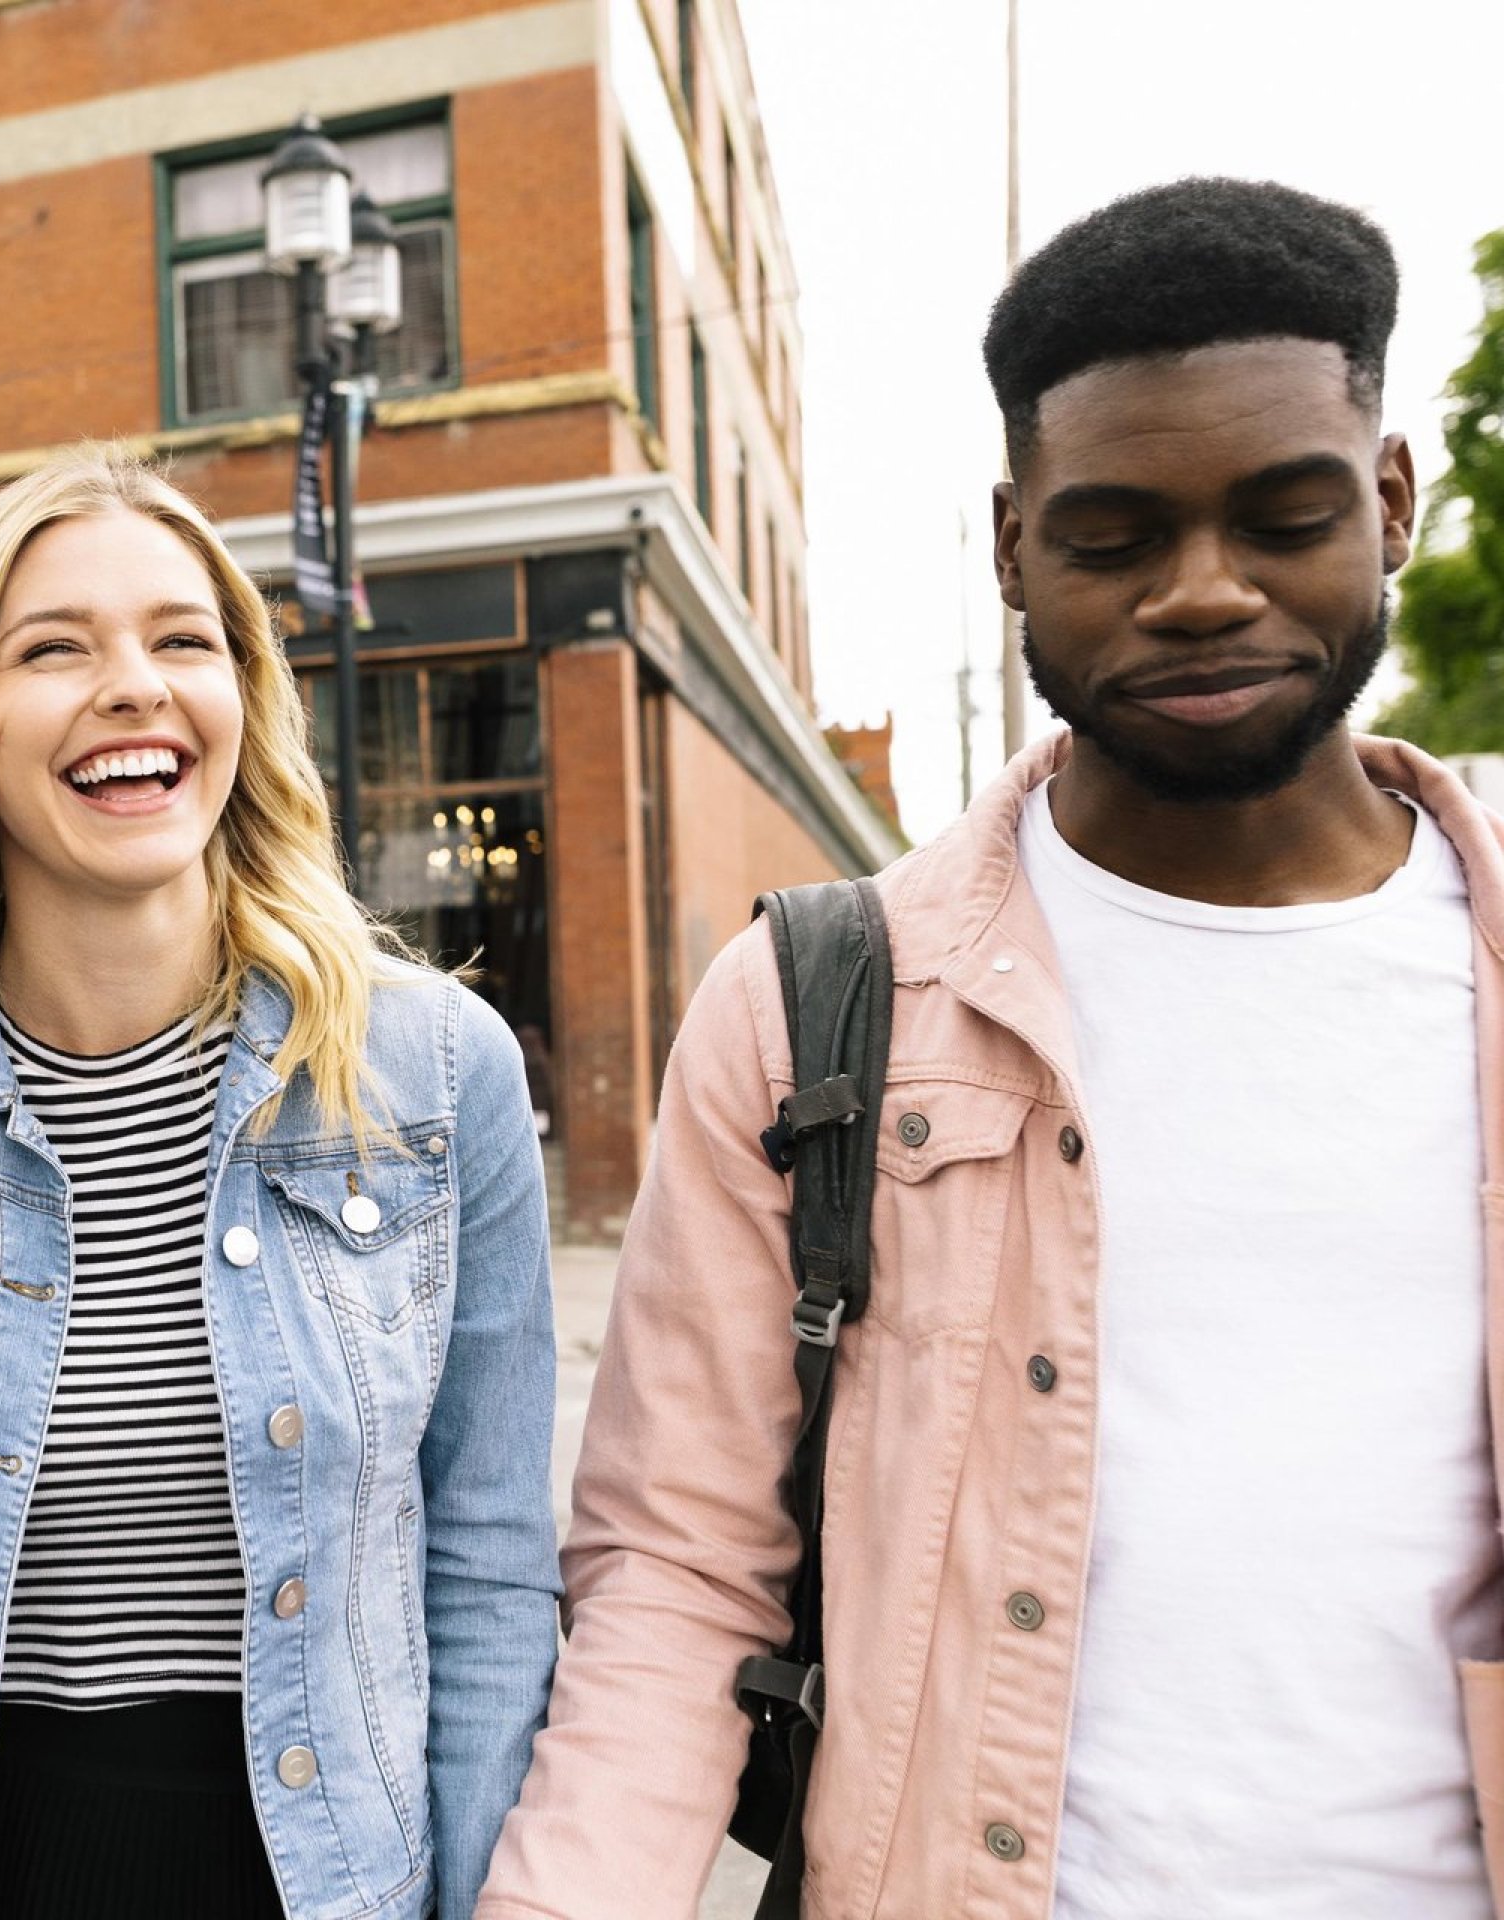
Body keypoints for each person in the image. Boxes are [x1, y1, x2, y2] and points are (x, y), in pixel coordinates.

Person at [478, 178, 1504, 1918]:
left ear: (1391, 502)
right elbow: (676, 1576)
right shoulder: (815, 1002)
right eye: (1114, 538)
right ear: (1013, 543)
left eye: (1283, 515)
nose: (1201, 594)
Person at [0, 450, 559, 1920]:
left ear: (241, 705)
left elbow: (488, 1576)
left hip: (331, 1884)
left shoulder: (437, 1078)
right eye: (55, 647)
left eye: (183, 640)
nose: (135, 683)